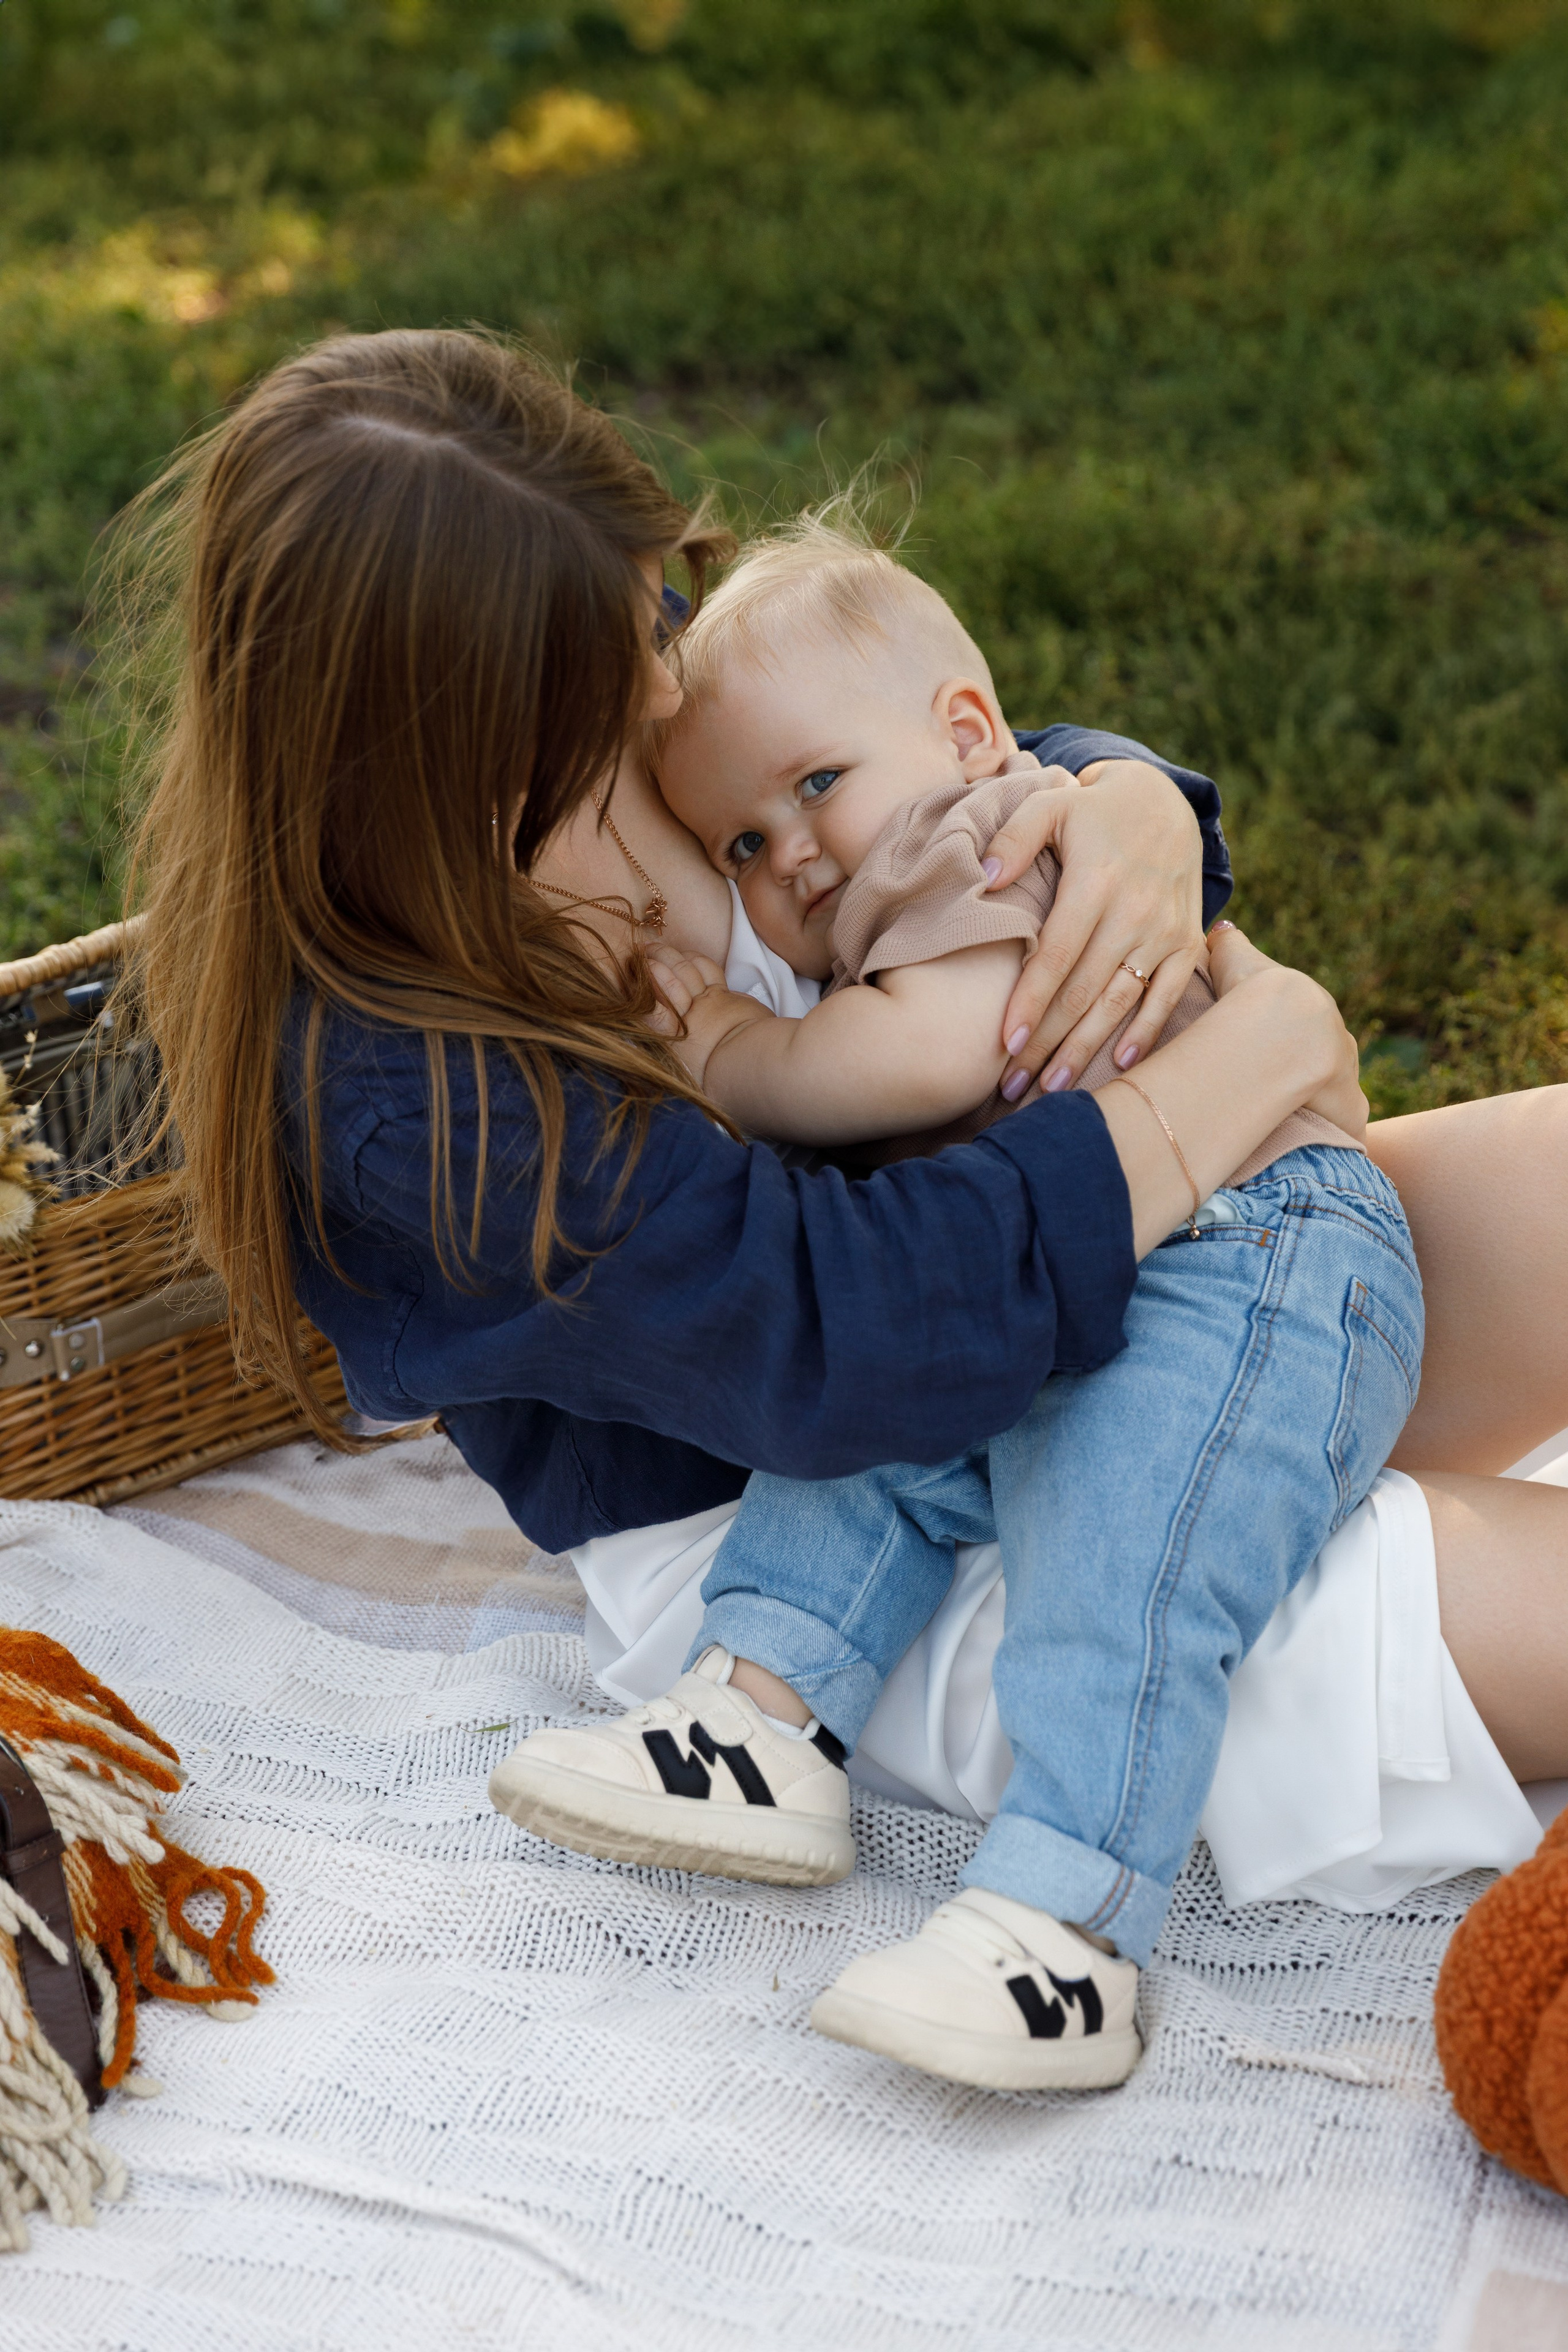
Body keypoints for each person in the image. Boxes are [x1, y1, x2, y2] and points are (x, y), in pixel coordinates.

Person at [124, 325, 1353, 1583]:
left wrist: (1127, 802)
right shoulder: (395, 1085)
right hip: (805, 1532)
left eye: (654, 609)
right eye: (614, 661)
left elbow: (913, 754)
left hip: (1086, 1288)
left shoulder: (597, 678)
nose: (663, 689)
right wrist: (1262, 1053)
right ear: (451, 735)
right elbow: (837, 1336)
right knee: (1394, 1593)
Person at [487, 519, 1420, 2092]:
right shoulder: (878, 869)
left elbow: (935, 1054)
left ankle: (1066, 1932)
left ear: (967, 735)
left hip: (1252, 1249)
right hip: (1067, 1260)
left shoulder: (976, 844)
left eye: (815, 786)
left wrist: (734, 1054)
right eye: (739, 845)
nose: (788, 855)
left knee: (1118, 1552)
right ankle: (759, 1720)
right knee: (874, 1447)